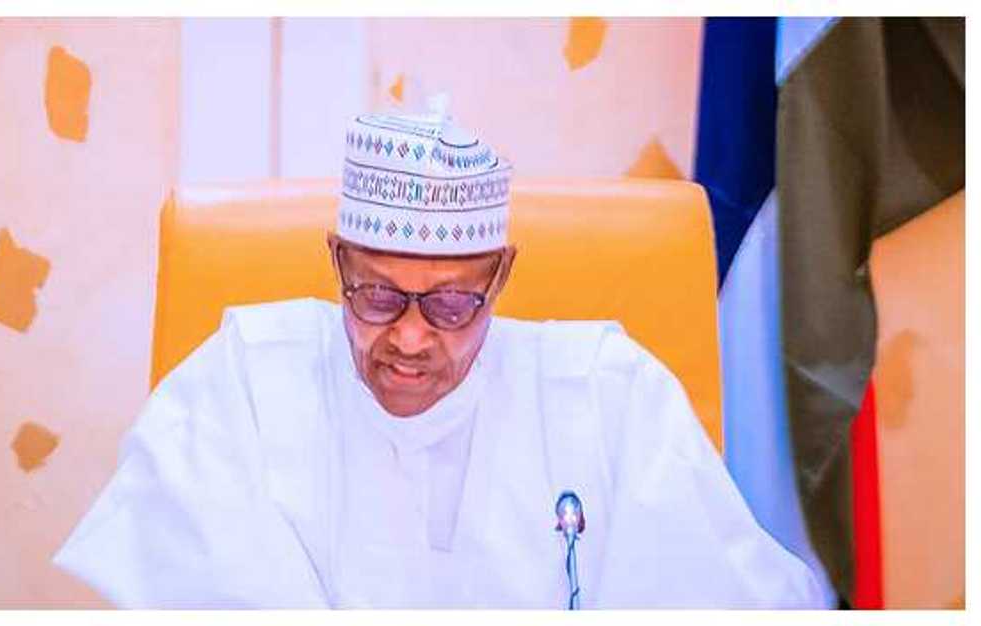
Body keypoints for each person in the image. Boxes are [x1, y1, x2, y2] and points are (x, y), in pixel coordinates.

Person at [52, 111, 826, 609]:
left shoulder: (604, 388)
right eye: (378, 296)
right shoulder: (242, 378)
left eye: (453, 303)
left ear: (502, 277)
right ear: (336, 263)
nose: (412, 339)